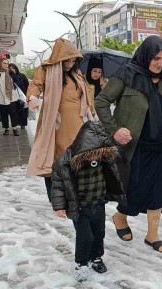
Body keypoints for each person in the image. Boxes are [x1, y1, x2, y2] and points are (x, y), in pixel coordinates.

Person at [96, 35, 162, 253]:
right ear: (146, 55)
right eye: (156, 58)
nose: (160, 63)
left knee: (160, 189)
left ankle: (152, 235)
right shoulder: (126, 75)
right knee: (134, 189)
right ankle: (120, 217)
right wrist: (115, 129)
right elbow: (101, 102)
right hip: (136, 146)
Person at [51, 120, 126, 281]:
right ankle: (81, 263)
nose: (94, 157)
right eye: (90, 152)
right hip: (80, 207)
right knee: (85, 236)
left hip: (98, 204)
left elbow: (116, 174)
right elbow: (57, 185)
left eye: (98, 152)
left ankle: (96, 257)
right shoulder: (66, 162)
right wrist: (59, 206)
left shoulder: (105, 159)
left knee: (99, 234)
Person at [26, 38, 97, 202]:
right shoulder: (46, 70)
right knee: (55, 158)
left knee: (77, 157)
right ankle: (56, 197)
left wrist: (93, 115)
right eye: (67, 60)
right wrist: (32, 98)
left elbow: (87, 96)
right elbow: (36, 85)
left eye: (73, 61)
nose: (70, 64)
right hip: (56, 122)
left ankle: (74, 194)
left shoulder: (78, 74)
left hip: (79, 122)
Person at [9, 63, 29, 130]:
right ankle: (16, 123)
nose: (12, 70)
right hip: (13, 96)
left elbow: (27, 85)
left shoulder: (22, 76)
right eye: (10, 68)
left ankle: (23, 124)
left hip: (22, 95)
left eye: (13, 68)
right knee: (15, 110)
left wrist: (27, 94)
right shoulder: (9, 77)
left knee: (23, 110)